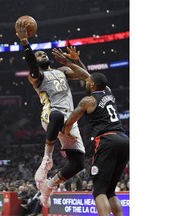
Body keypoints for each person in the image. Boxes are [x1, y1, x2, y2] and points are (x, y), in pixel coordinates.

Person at [15, 20, 90, 208]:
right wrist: (25, 43)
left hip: (70, 120)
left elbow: (87, 76)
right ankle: (46, 159)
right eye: (39, 54)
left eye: (44, 53)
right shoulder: (37, 77)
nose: (43, 55)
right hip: (50, 117)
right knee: (56, 114)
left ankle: (49, 186)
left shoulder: (62, 71)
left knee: (79, 163)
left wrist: (75, 61)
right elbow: (32, 64)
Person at [52, 51, 128, 216]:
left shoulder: (88, 101)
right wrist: (76, 60)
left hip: (108, 141)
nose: (86, 82)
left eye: (88, 82)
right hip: (124, 139)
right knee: (110, 191)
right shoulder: (107, 91)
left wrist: (66, 132)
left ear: (92, 85)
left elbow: (71, 120)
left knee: (99, 190)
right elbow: (87, 76)